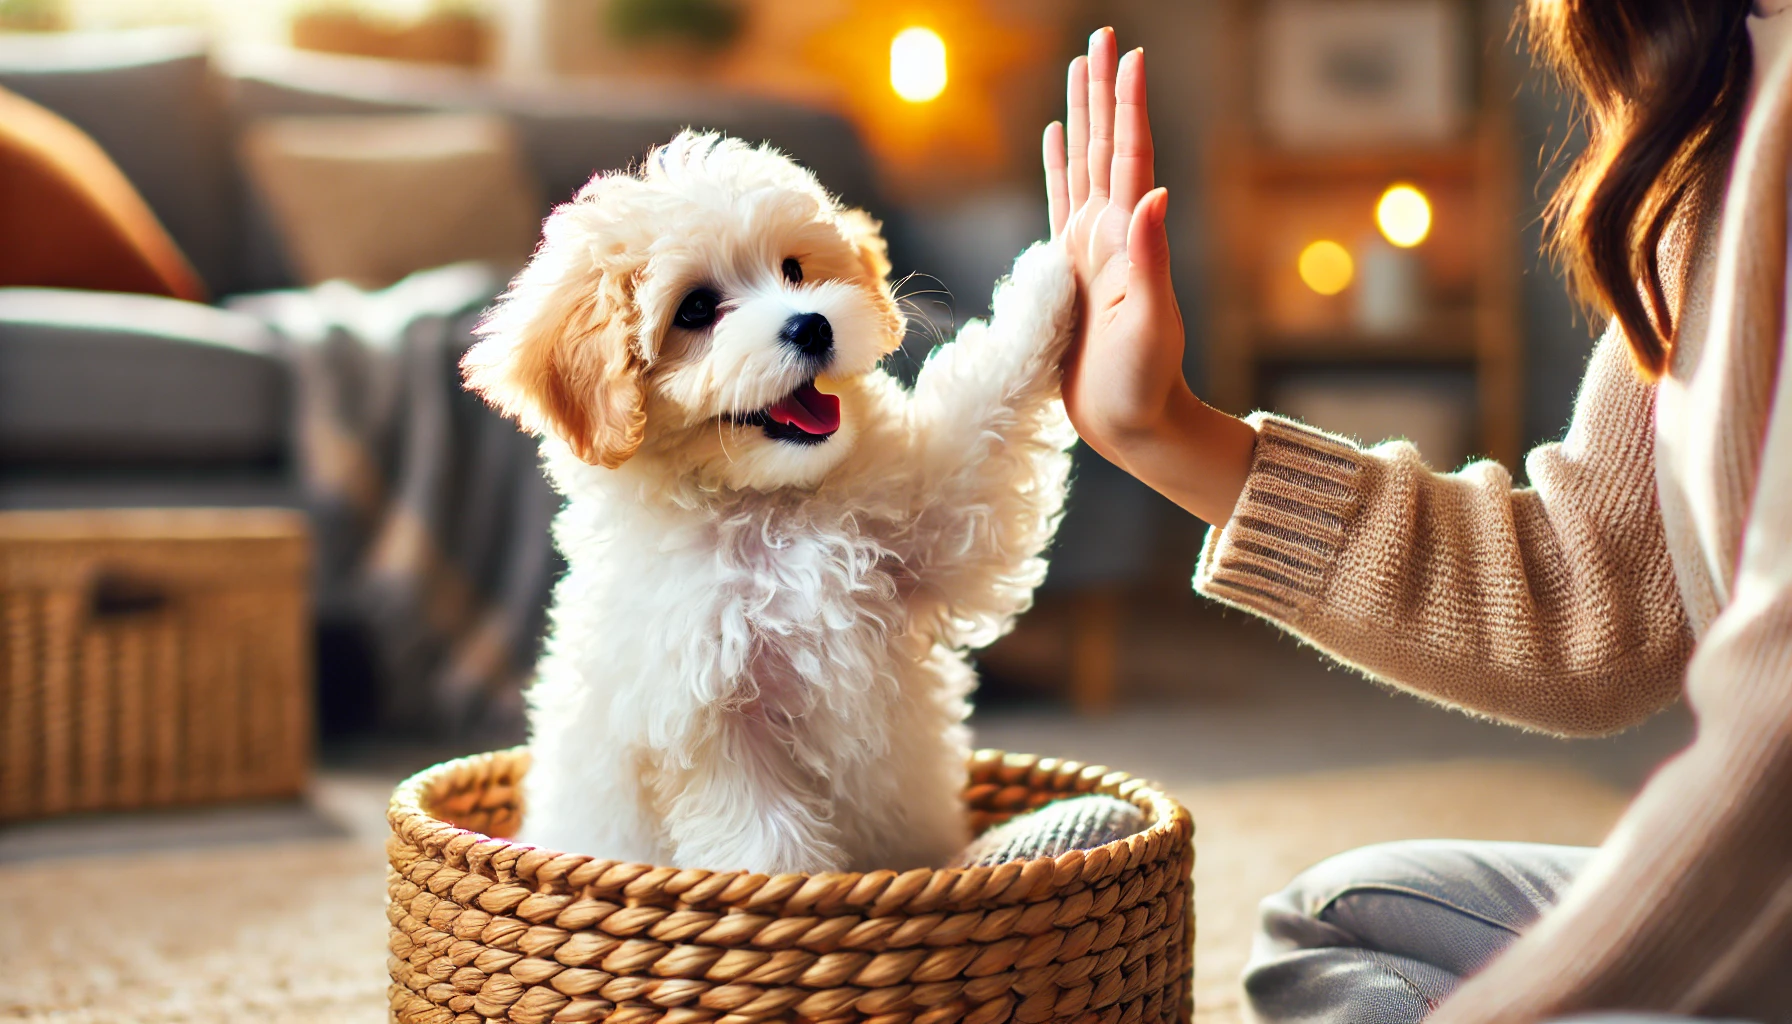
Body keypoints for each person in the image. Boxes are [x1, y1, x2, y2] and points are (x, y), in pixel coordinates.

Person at [1043, 1, 1792, 1020]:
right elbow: (1592, 594)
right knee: (1339, 925)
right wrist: (1163, 429)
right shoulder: (1724, 103)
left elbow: (1775, 730)